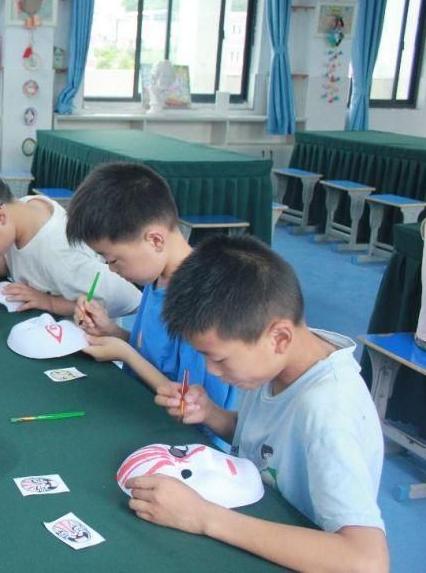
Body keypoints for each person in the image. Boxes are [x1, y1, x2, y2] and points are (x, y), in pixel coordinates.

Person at [131, 235, 388, 572]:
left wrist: (204, 517)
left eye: (219, 358)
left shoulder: (328, 413)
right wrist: (211, 414)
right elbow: (268, 442)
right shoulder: (279, 357)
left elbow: (367, 561)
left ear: (279, 337)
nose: (211, 370)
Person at [65, 162, 239, 411]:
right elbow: (153, 355)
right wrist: (111, 331)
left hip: (180, 431)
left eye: (113, 260)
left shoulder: (203, 305)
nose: (111, 269)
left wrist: (125, 354)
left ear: (155, 240)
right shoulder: (157, 276)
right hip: (140, 408)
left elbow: (192, 406)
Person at [0, 162, 141, 317]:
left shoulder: (62, 254)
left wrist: (49, 302)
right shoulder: (24, 210)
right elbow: (25, 262)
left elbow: (119, 300)